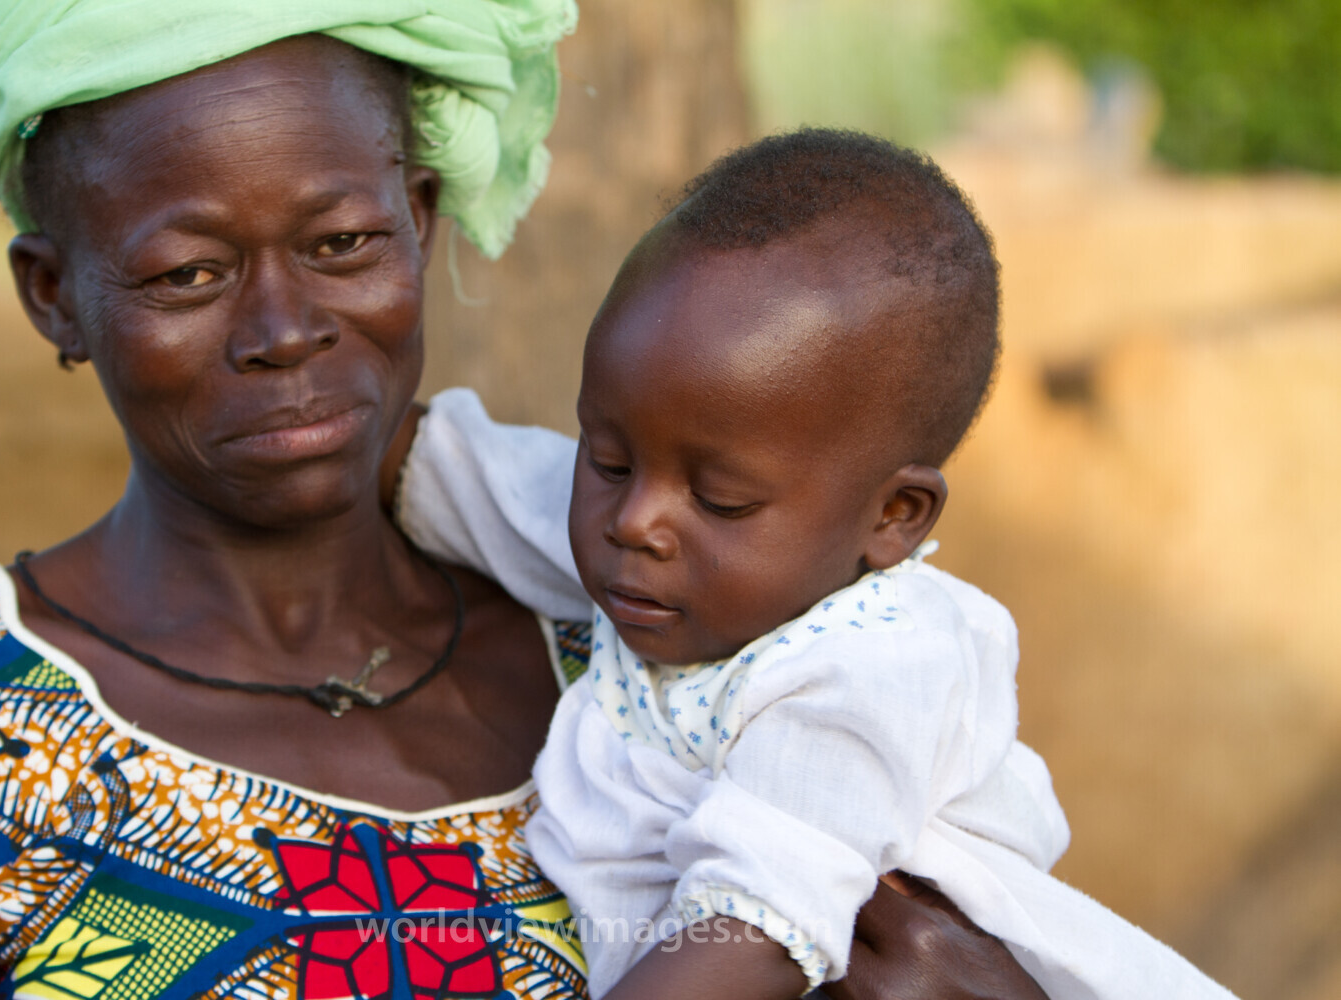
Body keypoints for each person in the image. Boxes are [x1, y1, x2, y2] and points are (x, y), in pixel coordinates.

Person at [0, 2, 1054, 998]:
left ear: (420, 222)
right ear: (53, 293)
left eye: (344, 244)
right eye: (188, 273)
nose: (286, 330)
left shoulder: (659, 657)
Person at [394, 132, 1238, 999]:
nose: (637, 519)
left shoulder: (872, 669)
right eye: (609, 458)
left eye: (720, 500)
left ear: (892, 518)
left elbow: (755, 926)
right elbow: (441, 466)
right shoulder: (666, 562)